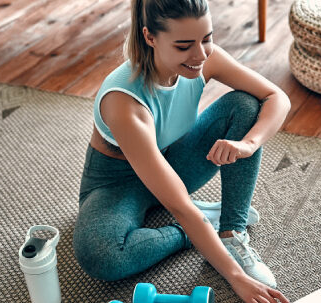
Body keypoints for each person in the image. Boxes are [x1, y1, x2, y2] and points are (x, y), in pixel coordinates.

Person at [72, 0, 291, 302]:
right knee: (102, 255)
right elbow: (178, 204)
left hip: (172, 160)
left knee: (246, 106)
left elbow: (276, 97)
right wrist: (236, 278)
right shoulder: (123, 102)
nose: (200, 54)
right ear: (150, 37)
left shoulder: (204, 58)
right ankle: (198, 229)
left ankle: (231, 231)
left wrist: (247, 144)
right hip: (116, 183)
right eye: (184, 45)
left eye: (206, 38)